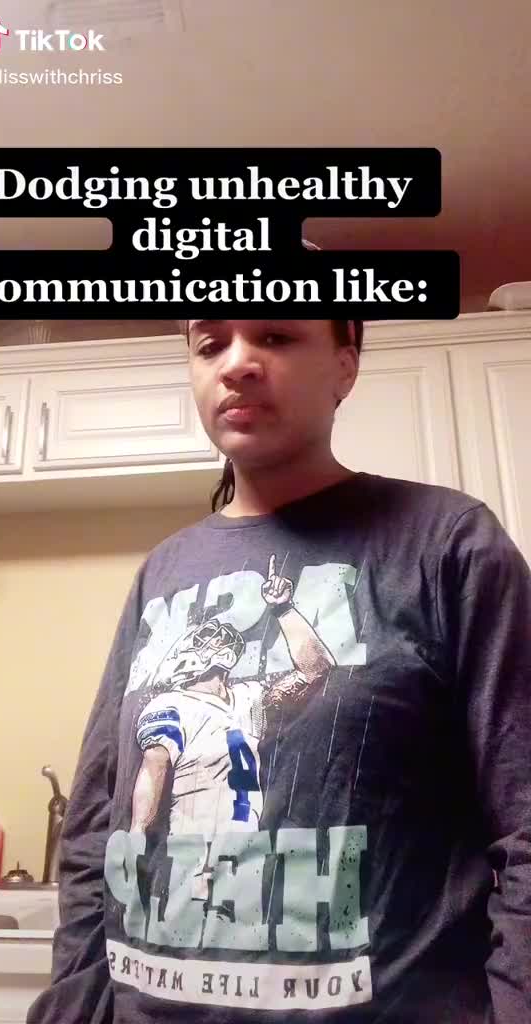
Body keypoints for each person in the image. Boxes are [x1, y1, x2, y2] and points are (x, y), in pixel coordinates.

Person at [27, 316, 531, 1024]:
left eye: (277, 335)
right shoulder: (163, 571)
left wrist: (285, 606)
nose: (236, 363)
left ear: (345, 366)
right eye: (210, 344)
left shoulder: (449, 543)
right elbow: (92, 828)